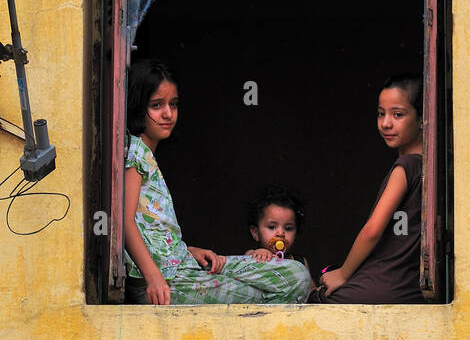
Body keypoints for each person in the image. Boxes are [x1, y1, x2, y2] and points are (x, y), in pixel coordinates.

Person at [123, 59, 311, 305]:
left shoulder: (147, 155)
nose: (168, 113)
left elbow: (153, 229)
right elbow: (124, 222)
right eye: (157, 105)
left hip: (183, 268)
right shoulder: (135, 151)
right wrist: (153, 277)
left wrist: (187, 251)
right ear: (138, 107)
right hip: (165, 284)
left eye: (173, 104)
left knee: (297, 273)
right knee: (269, 293)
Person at [315, 74, 425, 304]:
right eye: (380, 113)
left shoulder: (406, 166)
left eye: (398, 114)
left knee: (311, 303)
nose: (386, 123)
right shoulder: (428, 168)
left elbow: (372, 231)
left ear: (422, 118)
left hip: (382, 285)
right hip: (409, 287)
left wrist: (343, 274)